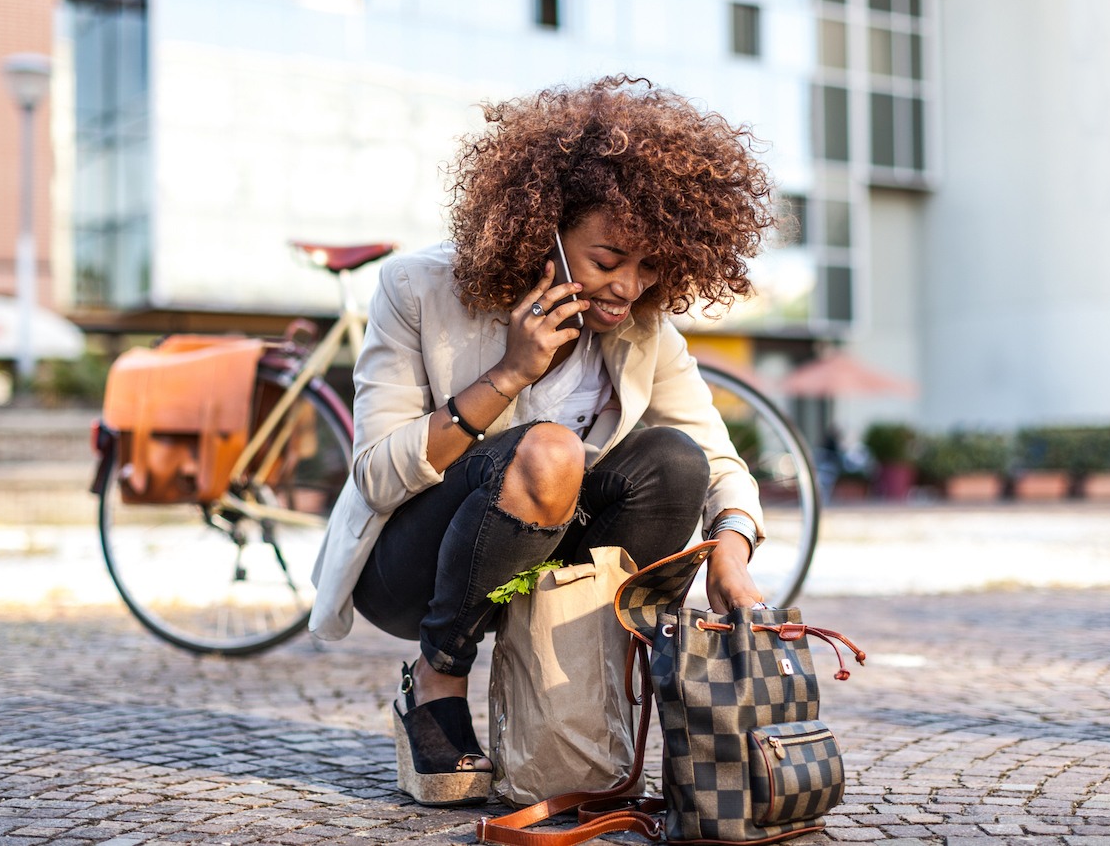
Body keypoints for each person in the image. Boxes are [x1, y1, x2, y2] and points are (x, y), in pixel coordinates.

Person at [309, 75, 788, 807]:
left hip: (539, 567)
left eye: (649, 266)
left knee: (673, 463)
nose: (628, 287)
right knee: (549, 450)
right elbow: (375, 474)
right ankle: (436, 680)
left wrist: (731, 548)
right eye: (608, 258)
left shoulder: (643, 328)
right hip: (413, 567)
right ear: (546, 227)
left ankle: (580, 694)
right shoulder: (417, 290)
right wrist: (508, 373)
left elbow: (718, 460)